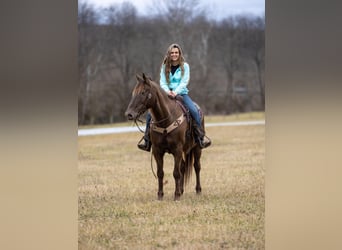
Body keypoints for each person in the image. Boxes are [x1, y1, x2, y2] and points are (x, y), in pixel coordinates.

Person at [138, 43, 211, 151]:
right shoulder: (164, 67)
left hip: (181, 93)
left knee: (194, 110)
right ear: (169, 54)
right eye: (172, 53)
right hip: (166, 94)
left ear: (179, 53)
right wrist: (167, 91)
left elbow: (184, 81)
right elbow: (162, 81)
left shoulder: (185, 66)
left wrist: (176, 92)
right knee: (150, 114)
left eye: (176, 52)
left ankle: (200, 136)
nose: (174, 54)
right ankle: (147, 139)